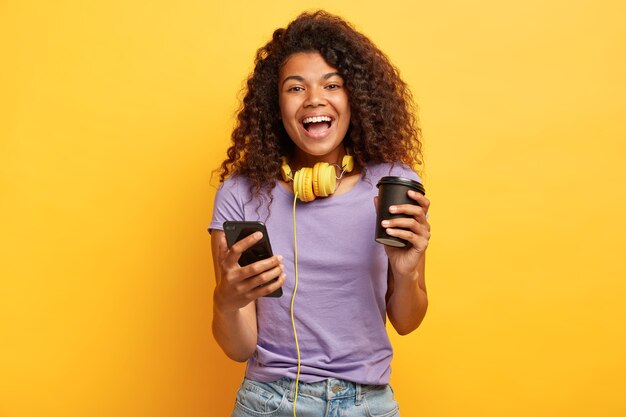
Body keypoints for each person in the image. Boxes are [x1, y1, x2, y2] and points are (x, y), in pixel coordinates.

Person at [209, 10, 431, 417]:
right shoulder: (239, 194)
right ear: (276, 106)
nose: (315, 99)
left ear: (356, 98)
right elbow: (238, 348)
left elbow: (407, 322)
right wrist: (226, 300)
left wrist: (408, 272)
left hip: (367, 404)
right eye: (296, 88)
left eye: (332, 84)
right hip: (268, 402)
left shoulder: (392, 185)